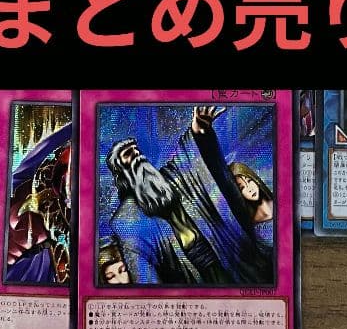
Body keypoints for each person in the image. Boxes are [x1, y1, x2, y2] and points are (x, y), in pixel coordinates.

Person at [105, 105, 272, 286]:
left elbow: (188, 156)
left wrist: (199, 130)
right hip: (190, 277)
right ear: (119, 171)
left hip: (226, 251)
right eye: (128, 154)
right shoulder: (125, 220)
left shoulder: (173, 175)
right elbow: (143, 273)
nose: (137, 155)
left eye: (136, 150)